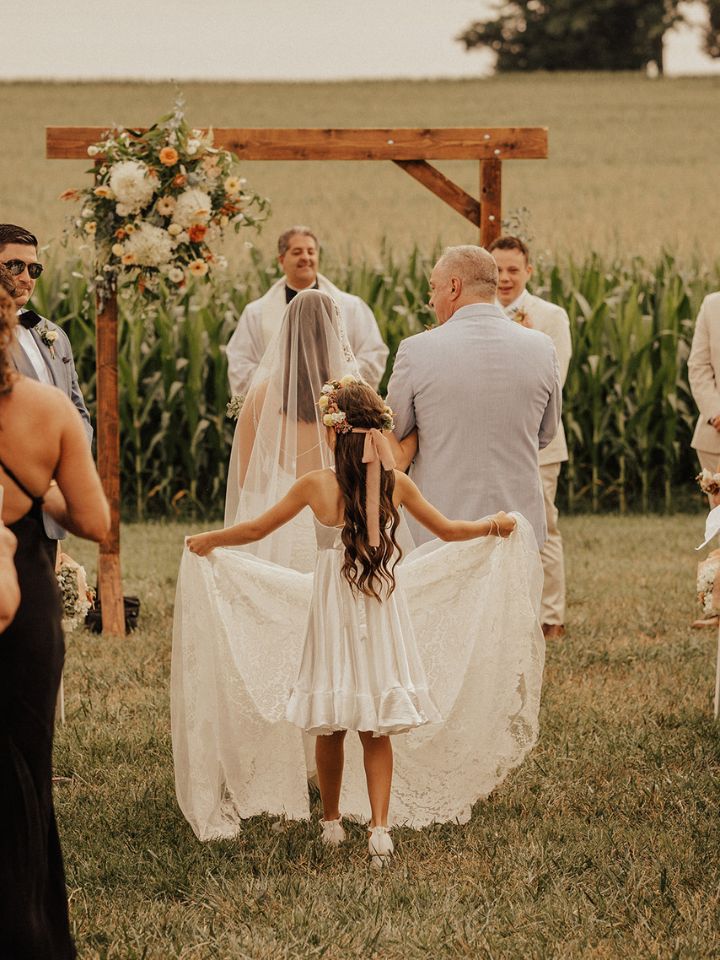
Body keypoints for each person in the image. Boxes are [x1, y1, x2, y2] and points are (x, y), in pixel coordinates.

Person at [174, 378, 545, 851]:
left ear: (332, 433)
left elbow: (255, 528)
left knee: (330, 721)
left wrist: (211, 540)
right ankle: (379, 830)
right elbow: (450, 532)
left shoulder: (315, 486)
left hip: (331, 613)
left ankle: (331, 823)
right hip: (378, 610)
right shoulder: (397, 484)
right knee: (374, 725)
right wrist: (496, 524)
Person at [0, 280, 109, 957]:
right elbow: (95, 520)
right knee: (23, 769)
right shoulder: (46, 409)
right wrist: (38, 486)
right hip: (29, 596)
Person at [386, 245, 562, 551]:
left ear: (454, 287)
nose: (431, 299)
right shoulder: (542, 347)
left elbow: (396, 432)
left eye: (433, 288)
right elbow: (545, 433)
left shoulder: (416, 350)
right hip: (517, 526)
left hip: (440, 526)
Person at [489, 236, 572, 640]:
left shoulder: (551, 316)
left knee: (543, 525)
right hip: (489, 444)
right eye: (497, 270)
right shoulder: (476, 312)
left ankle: (551, 615)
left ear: (529, 272)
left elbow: (556, 381)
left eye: (512, 270)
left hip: (539, 441)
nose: (504, 279)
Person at [0, 223, 93, 565]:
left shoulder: (52, 334)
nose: (26, 277)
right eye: (15, 266)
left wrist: (69, 465)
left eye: (34, 268)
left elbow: (77, 409)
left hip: (52, 502)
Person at [226, 226, 388, 395]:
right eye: (297, 252)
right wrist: (280, 386)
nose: (306, 257)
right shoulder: (255, 313)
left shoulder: (351, 307)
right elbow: (240, 363)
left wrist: (341, 384)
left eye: (311, 252)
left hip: (338, 406)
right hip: (278, 405)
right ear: (281, 260)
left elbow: (373, 353)